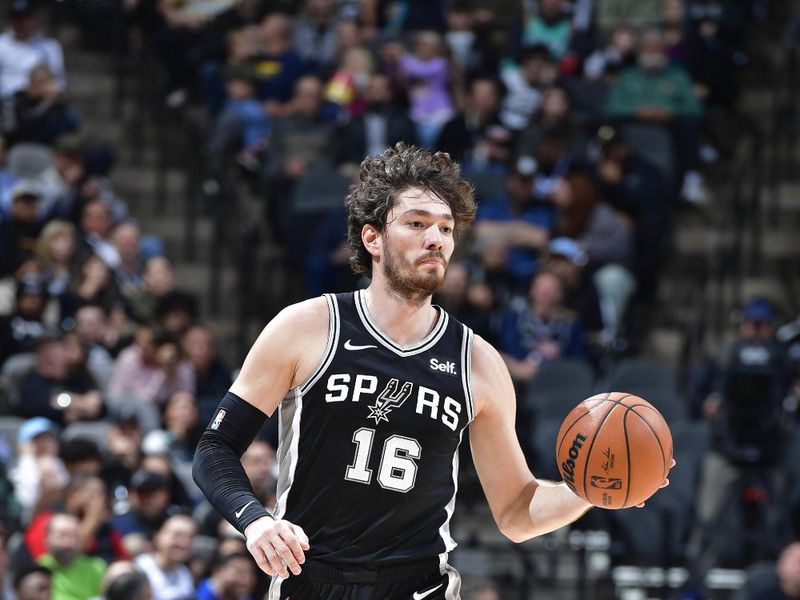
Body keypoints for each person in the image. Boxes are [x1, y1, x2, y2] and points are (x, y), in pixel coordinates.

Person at [192, 143, 674, 599]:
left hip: (419, 584)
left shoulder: (478, 361)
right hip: (312, 578)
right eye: (417, 223)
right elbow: (215, 448)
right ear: (373, 237)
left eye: (445, 228)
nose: (435, 239)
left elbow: (516, 510)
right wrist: (255, 520)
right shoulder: (307, 326)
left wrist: (589, 488)